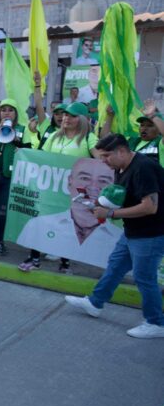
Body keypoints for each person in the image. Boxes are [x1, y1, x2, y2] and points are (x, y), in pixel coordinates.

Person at [65, 134, 164, 338]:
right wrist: (101, 204)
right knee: (116, 265)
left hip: (151, 233)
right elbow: (126, 197)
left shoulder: (143, 167)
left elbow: (150, 206)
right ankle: (95, 303)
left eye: (106, 156)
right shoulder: (121, 167)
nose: (103, 161)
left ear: (121, 151)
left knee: (145, 278)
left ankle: (156, 323)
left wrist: (110, 213)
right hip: (133, 231)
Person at [19, 101, 99, 273]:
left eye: (72, 115)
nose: (66, 118)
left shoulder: (88, 138)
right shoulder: (55, 136)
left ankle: (65, 263)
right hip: (50, 189)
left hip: (72, 193)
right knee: (41, 222)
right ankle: (34, 258)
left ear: (83, 119)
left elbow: (100, 161)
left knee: (69, 226)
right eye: (65, 115)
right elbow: (42, 157)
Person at [0, 98, 35, 255]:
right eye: (4, 110)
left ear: (16, 114)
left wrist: (17, 142)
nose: (6, 113)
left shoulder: (23, 130)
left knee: (2, 213)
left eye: (10, 110)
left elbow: (29, 151)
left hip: (10, 178)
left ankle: (0, 242)